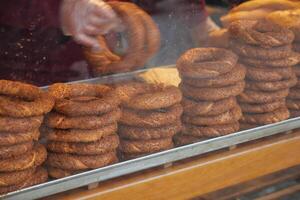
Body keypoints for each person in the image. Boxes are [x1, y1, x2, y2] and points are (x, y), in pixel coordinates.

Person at [0, 0, 216, 86]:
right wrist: (61, 5)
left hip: (118, 85)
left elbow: (190, 17)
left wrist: (206, 26)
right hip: (29, 78)